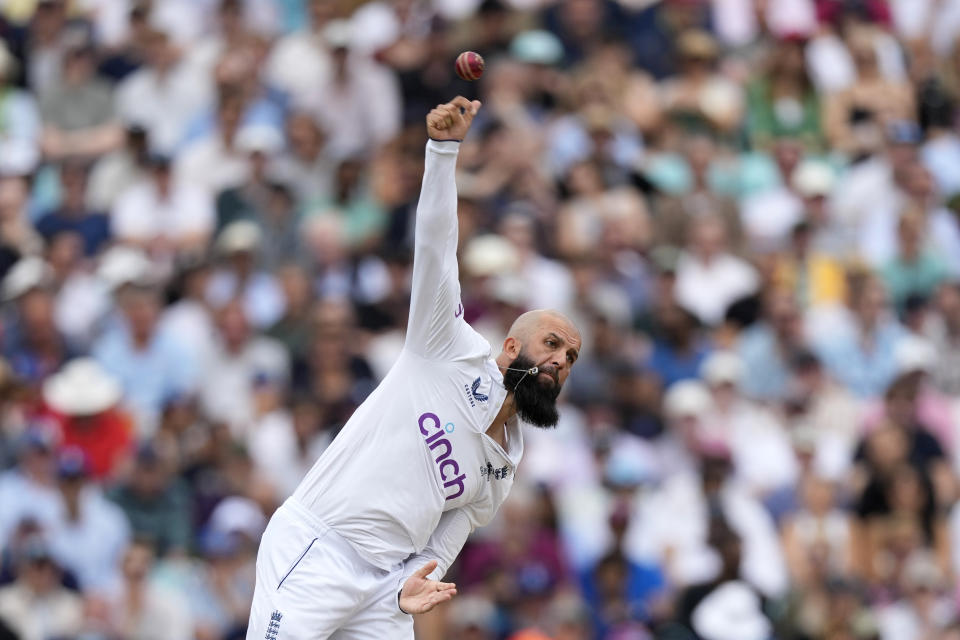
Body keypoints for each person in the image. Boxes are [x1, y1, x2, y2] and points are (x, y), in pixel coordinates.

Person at [246, 97, 582, 639]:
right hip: (320, 549)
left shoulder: (505, 464)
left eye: (570, 358)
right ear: (510, 347)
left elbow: (445, 539)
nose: (560, 360)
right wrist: (442, 152)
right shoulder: (446, 346)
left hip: (385, 590)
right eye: (551, 344)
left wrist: (413, 582)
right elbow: (435, 249)